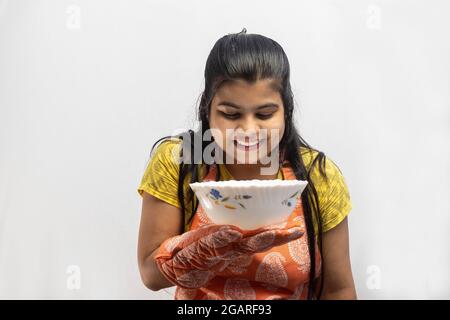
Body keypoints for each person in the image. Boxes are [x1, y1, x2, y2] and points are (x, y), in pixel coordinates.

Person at [137, 28, 356, 300]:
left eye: (265, 114)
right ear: (207, 108)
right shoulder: (180, 160)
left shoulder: (318, 175)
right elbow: (150, 273)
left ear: (286, 109)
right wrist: (199, 252)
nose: (247, 130)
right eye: (230, 114)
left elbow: (339, 290)